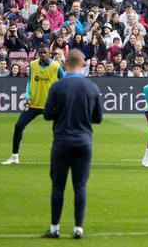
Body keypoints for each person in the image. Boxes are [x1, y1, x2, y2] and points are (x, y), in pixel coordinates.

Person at [41, 49, 103, 239]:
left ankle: (54, 228)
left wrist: (62, 113)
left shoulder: (58, 87)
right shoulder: (92, 87)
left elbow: (47, 114)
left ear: (65, 64)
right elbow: (98, 118)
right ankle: (78, 228)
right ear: (83, 64)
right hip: (84, 142)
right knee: (80, 186)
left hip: (62, 141)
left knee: (58, 186)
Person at [3, 47, 64, 165]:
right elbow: (29, 81)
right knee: (18, 126)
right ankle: (14, 157)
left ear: (49, 54)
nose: (42, 55)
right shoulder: (32, 64)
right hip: (34, 104)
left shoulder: (56, 66)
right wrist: (27, 95)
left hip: (51, 106)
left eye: (44, 53)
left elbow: (65, 81)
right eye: (40, 53)